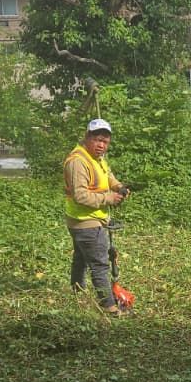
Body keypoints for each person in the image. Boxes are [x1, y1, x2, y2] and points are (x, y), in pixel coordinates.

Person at [63, 118, 128, 314]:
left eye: (105, 142)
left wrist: (118, 186)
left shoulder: (96, 158)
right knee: (100, 264)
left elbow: (107, 175)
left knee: (81, 259)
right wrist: (108, 198)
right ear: (87, 137)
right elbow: (81, 195)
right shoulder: (78, 162)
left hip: (87, 219)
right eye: (97, 140)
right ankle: (109, 306)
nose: (101, 145)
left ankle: (77, 291)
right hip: (86, 221)